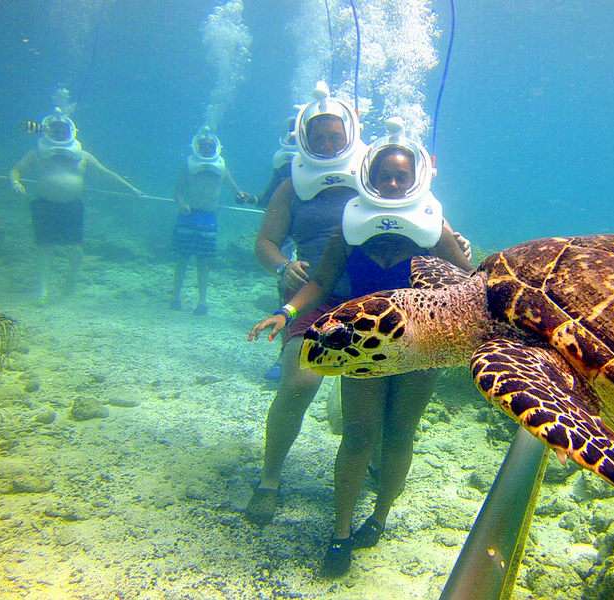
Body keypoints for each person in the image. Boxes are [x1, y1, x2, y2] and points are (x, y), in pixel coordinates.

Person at [248, 117, 472, 577]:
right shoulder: (350, 227)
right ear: (368, 174)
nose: (392, 182)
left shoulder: (434, 225)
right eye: (384, 174)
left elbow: (469, 283)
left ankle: (381, 516)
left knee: (398, 435)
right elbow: (322, 282)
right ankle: (340, 532)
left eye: (401, 176)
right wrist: (287, 313)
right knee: (357, 436)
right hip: (364, 347)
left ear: (417, 178)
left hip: (422, 347)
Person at [245, 82, 368, 524]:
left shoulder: (375, 170)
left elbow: (418, 214)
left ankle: (366, 468)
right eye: (319, 136)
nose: (328, 143)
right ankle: (270, 478)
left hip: (373, 300)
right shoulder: (291, 185)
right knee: (298, 385)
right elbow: (265, 242)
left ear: (351, 133)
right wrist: (282, 267)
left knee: (364, 400)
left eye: (336, 136)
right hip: (311, 296)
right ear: (303, 137)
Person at [10, 108, 142, 302]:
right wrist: (15, 182)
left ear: (71, 131)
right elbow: (16, 170)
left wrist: (131, 189)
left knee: (75, 250)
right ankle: (42, 290)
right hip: (45, 205)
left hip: (72, 206)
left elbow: (106, 173)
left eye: (62, 129)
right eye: (54, 129)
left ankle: (70, 283)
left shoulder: (84, 156)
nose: (58, 132)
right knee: (44, 248)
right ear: (46, 130)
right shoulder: (36, 153)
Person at [171, 126, 252, 315]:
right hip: (187, 217)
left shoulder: (222, 166)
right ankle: (175, 297)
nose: (206, 148)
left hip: (208, 218)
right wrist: (182, 204)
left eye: (209, 145)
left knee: (203, 261)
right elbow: (177, 191)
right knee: (182, 259)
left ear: (215, 146)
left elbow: (234, 190)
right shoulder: (188, 165)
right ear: (197, 146)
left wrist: (242, 196)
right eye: (203, 145)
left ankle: (202, 302)